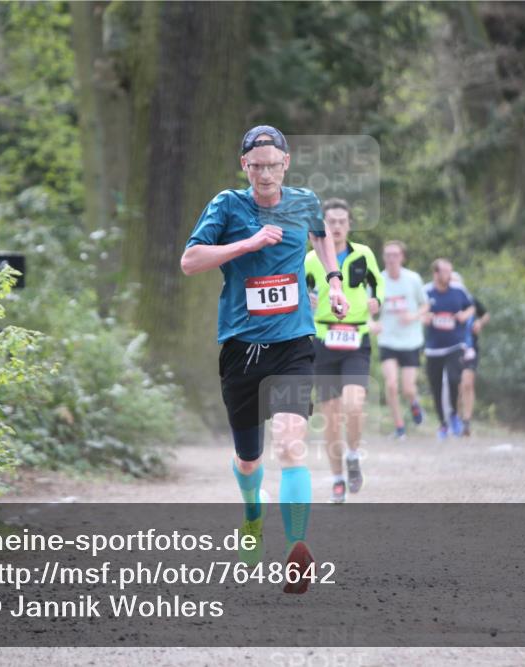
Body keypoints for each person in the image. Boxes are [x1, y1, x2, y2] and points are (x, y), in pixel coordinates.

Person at [180, 126, 349, 594]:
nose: (266, 174)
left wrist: (334, 281)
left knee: (291, 442)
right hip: (242, 349)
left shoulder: (304, 201)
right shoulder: (227, 206)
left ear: (286, 163)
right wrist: (247, 244)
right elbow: (190, 262)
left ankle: (296, 549)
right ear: (245, 166)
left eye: (274, 165)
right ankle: (253, 513)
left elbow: (320, 238)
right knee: (249, 460)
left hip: (293, 344)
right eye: (257, 166)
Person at [305, 198, 383, 504]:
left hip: (356, 338)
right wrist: (306, 299)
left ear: (349, 224)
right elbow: (300, 290)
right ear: (323, 226)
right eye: (331, 222)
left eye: (341, 221)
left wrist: (378, 301)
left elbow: (378, 284)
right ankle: (337, 480)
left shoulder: (363, 254)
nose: (336, 227)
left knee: (354, 403)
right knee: (331, 416)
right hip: (323, 339)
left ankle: (352, 455)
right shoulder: (311, 259)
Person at [376, 240, 428, 440]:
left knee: (408, 389)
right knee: (391, 384)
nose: (391, 259)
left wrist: (413, 316)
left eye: (395, 255)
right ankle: (399, 428)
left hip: (410, 341)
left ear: (402, 257)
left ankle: (414, 403)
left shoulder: (413, 279)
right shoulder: (378, 279)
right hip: (387, 339)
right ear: (383, 258)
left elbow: (425, 305)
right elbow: (368, 306)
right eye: (388, 255)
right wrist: (372, 323)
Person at [423, 259, 474, 440]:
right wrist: (425, 317)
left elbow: (471, 307)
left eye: (450, 271)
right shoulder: (426, 291)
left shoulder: (458, 290)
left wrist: (464, 315)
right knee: (435, 386)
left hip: (455, 345)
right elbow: (418, 311)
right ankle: (442, 424)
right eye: (445, 272)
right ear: (436, 273)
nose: (449, 275)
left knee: (454, 379)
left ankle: (453, 414)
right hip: (433, 348)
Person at [457, 287, 489, 437]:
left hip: (470, 348)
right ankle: (454, 419)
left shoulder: (470, 300)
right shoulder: (444, 300)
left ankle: (466, 421)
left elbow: (486, 314)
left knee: (467, 383)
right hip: (451, 349)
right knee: (455, 385)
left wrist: (479, 323)